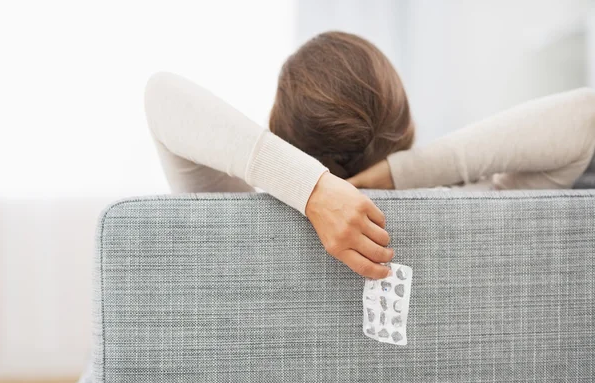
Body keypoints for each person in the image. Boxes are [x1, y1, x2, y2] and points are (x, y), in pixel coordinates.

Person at [144, 31, 595, 281]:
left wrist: (312, 190)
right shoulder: (483, 213)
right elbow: (584, 117)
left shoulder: (233, 225)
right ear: (407, 126)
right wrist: (404, 175)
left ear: (278, 131)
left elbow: (161, 95)